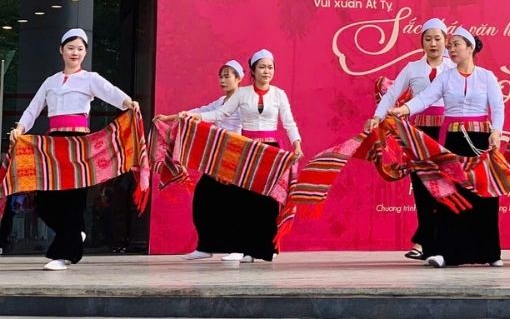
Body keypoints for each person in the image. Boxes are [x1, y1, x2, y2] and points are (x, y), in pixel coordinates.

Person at [9, 28, 140, 270]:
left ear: (85, 52)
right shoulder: (50, 81)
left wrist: (128, 103)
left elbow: (111, 93)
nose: (75, 52)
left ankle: (64, 255)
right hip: (54, 144)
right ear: (61, 50)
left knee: (72, 199)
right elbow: (33, 108)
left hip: (79, 144)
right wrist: (20, 128)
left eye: (80, 49)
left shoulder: (90, 78)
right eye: (70, 48)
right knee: (46, 201)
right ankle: (74, 234)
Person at [389, 27, 504, 268]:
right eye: (449, 46)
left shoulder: (486, 76)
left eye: (456, 45)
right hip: (452, 141)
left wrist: (496, 131)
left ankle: (489, 253)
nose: (450, 50)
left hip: (480, 140)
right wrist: (404, 109)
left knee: (485, 195)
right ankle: (446, 252)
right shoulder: (445, 77)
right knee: (450, 196)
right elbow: (425, 98)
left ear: (470, 48)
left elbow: (498, 107)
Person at [184, 49, 302, 262]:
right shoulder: (242, 93)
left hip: (271, 150)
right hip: (247, 149)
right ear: (253, 70)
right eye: (262, 67)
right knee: (244, 200)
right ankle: (243, 248)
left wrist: (297, 144)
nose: (266, 71)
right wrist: (195, 116)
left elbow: (289, 122)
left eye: (270, 67)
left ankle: (262, 250)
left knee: (266, 201)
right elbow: (220, 114)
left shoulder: (279, 94)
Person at [367, 18, 455, 261]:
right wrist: (377, 117)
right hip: (419, 135)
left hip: (448, 133)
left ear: (446, 41)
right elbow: (392, 95)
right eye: (428, 39)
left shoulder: (454, 68)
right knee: (423, 188)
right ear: (421, 43)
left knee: (448, 188)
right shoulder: (412, 68)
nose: (433, 44)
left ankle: (444, 244)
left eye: (438, 39)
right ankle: (428, 246)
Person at [155, 60, 245, 260]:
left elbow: (211, 117)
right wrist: (169, 117)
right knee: (204, 200)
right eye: (221, 76)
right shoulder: (220, 101)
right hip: (217, 157)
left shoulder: (243, 102)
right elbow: (199, 111)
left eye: (227, 76)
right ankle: (206, 246)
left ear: (239, 79)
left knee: (234, 204)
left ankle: (238, 248)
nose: (223, 80)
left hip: (233, 156)